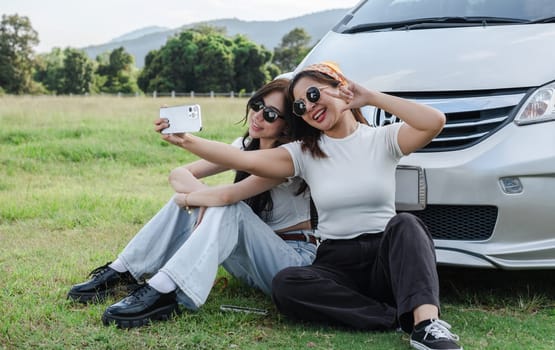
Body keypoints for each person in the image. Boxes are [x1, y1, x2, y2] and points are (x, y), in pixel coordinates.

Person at [159, 62, 463, 350]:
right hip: (336, 261)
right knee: (287, 284)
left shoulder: (382, 139)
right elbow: (244, 159)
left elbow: (434, 122)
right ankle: (389, 317)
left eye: (314, 94)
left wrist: (369, 96)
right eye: (300, 106)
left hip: (384, 253)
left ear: (340, 87)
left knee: (407, 224)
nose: (310, 107)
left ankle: (427, 325)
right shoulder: (303, 153)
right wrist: (186, 140)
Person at [67, 78, 317, 329]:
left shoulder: (288, 159)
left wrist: (190, 198)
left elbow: (228, 197)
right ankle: (124, 271)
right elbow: (178, 174)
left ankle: (165, 289)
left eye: (271, 114)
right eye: (257, 104)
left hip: (290, 265)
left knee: (228, 207)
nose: (258, 116)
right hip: (251, 262)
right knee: (211, 203)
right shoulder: (243, 147)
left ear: (287, 126)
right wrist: (203, 201)